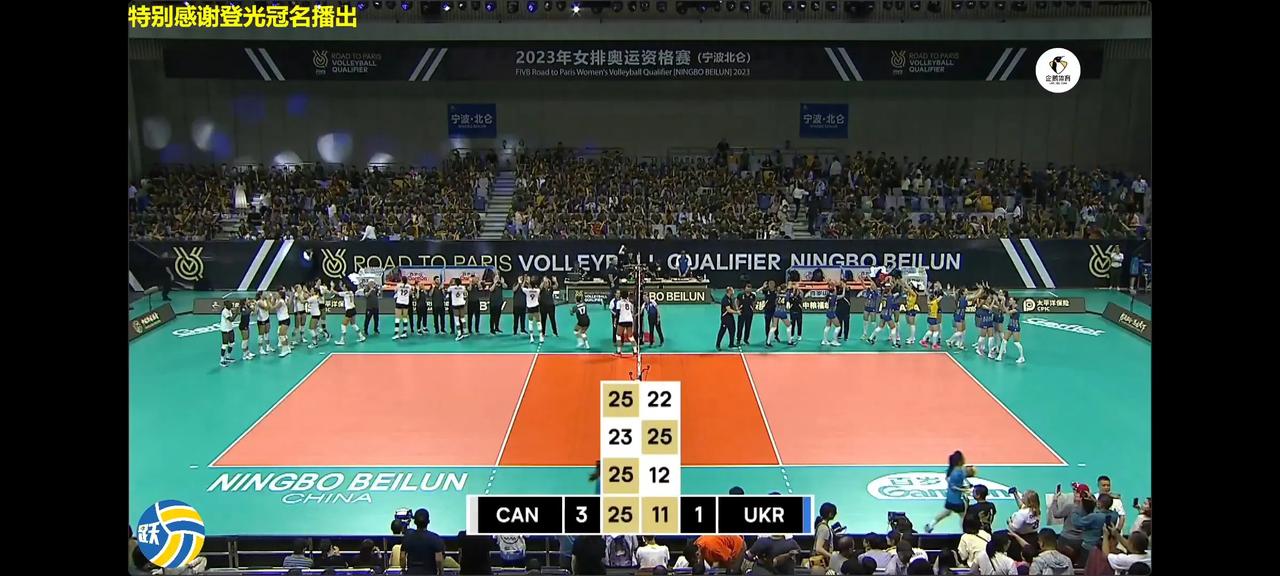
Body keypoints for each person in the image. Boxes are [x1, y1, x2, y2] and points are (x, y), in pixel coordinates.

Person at [925, 450, 974, 533]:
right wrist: (964, 489)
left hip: (950, 498)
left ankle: (930, 525)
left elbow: (950, 480)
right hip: (957, 501)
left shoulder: (953, 470)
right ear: (960, 461)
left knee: (946, 512)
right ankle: (965, 532)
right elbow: (953, 487)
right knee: (963, 516)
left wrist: (965, 485)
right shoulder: (958, 473)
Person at [401, 508, 445, 575]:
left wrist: (404, 570)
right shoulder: (435, 538)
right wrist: (441, 573)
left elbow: (402, 557)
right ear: (428, 521)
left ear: (415, 522)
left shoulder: (407, 537)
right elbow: (439, 560)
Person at [335, 281, 366, 345]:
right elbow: (343, 290)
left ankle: (342, 340)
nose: (343, 288)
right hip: (353, 309)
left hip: (349, 311)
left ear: (346, 288)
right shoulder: (351, 292)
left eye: (344, 287)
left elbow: (336, 293)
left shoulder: (345, 293)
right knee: (353, 324)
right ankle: (361, 337)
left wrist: (332, 288)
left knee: (343, 325)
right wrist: (341, 286)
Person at [811, 502, 839, 569]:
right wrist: (832, 557)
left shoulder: (822, 526)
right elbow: (818, 548)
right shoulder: (824, 528)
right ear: (830, 514)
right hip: (821, 564)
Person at [716, 286, 741, 351]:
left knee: (732, 330)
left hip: (730, 317)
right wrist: (737, 312)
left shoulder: (730, 298)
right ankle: (718, 345)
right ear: (729, 291)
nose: (733, 291)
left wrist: (737, 308)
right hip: (725, 318)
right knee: (722, 331)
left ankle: (731, 344)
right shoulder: (725, 299)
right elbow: (729, 310)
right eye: (732, 290)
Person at [615, 289, 638, 356]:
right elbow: (632, 312)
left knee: (618, 335)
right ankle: (635, 351)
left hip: (622, 320)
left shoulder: (619, 302)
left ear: (621, 296)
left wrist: (616, 320)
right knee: (630, 336)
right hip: (629, 320)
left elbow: (617, 312)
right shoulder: (630, 303)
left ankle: (618, 351)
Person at [821, 283, 843, 347]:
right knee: (838, 327)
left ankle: (824, 340)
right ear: (833, 291)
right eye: (835, 289)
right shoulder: (834, 297)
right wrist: (844, 288)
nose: (836, 290)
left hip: (828, 312)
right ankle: (834, 341)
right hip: (832, 312)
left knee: (828, 326)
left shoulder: (828, 296)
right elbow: (842, 295)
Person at [523, 278, 544, 344]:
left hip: (530, 307)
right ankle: (541, 337)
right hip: (536, 307)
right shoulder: (537, 290)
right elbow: (540, 288)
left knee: (530, 322)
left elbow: (522, 287)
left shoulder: (527, 291)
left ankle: (531, 337)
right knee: (538, 322)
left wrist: (524, 281)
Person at [448, 277, 470, 341]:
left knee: (457, 320)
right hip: (462, 304)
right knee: (462, 318)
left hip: (455, 304)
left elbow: (448, 290)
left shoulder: (452, 287)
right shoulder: (463, 287)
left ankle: (459, 334)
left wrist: (451, 285)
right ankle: (465, 332)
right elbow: (466, 294)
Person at [274, 287, 293, 357]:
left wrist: (268, 301)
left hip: (285, 320)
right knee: (283, 335)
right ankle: (287, 348)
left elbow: (273, 308)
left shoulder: (281, 301)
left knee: (281, 335)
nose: (275, 295)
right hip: (281, 320)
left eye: (276, 294)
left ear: (280, 295)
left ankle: (284, 350)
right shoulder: (278, 300)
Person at [218, 298, 237, 367]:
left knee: (232, 343)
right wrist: (236, 313)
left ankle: (228, 357)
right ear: (226, 306)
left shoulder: (229, 310)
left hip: (230, 328)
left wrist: (234, 312)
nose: (231, 306)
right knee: (225, 345)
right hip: (225, 330)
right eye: (229, 305)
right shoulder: (224, 312)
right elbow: (231, 319)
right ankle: (222, 360)